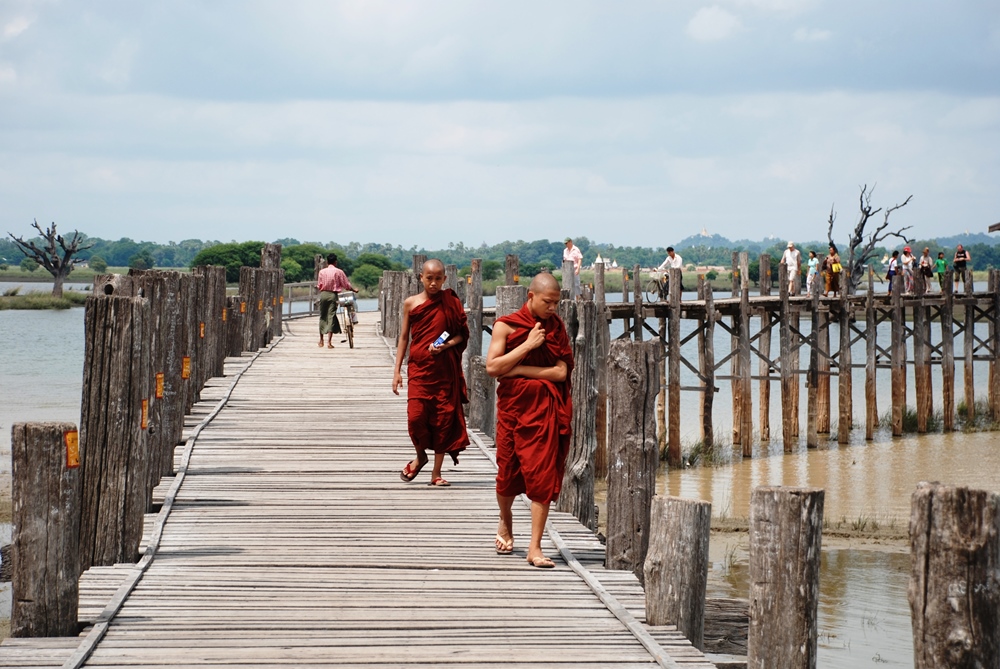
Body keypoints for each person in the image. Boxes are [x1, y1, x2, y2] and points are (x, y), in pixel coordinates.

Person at [487, 273, 574, 568]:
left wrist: (518, 369)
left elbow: (561, 372)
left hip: (544, 410)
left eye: (556, 303)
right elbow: (492, 367)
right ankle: (505, 518)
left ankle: (535, 546)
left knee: (542, 475)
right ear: (531, 297)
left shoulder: (557, 327)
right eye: (547, 302)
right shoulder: (506, 325)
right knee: (507, 472)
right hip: (514, 410)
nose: (553, 308)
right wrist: (526, 346)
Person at [392, 259, 470, 487]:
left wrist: (445, 346)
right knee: (415, 418)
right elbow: (404, 337)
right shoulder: (411, 303)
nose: (433, 283)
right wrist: (396, 371)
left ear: (445, 279)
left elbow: (460, 336)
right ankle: (420, 455)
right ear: (421, 278)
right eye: (429, 278)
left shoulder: (451, 302)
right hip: (419, 369)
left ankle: (436, 473)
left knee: (442, 420)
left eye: (438, 279)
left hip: (444, 371)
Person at [316, 253, 359, 348]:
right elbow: (346, 285)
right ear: (336, 262)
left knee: (323, 316)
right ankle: (329, 342)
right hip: (332, 295)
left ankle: (321, 340)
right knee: (331, 315)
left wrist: (321, 287)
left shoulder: (322, 272)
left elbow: (319, 285)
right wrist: (353, 290)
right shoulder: (339, 272)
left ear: (327, 262)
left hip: (323, 295)